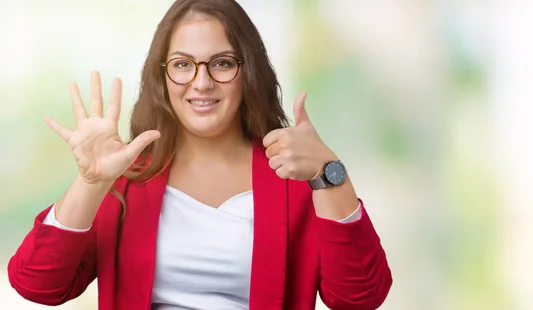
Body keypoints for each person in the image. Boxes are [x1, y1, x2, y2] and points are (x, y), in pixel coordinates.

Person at [7, 0, 393, 309]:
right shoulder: (127, 178)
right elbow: (39, 285)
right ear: (162, 77)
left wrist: (328, 173)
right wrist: (91, 182)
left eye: (222, 63)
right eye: (183, 65)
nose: (202, 82)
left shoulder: (296, 177)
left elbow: (359, 298)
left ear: (248, 71)